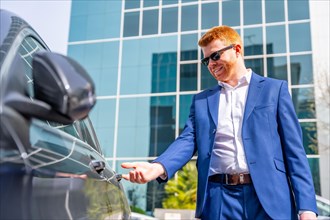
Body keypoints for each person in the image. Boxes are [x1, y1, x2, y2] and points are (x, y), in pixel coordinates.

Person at [121, 25, 318, 220]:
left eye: (215, 56)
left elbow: (295, 153)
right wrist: (157, 168)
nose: (211, 64)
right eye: (206, 60)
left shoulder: (275, 90)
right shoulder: (201, 101)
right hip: (219, 201)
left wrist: (307, 209)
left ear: (237, 50)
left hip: (269, 199)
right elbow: (187, 141)